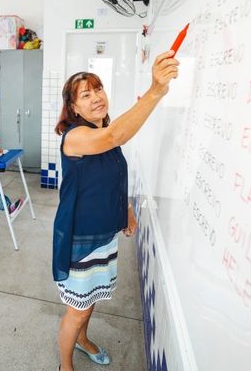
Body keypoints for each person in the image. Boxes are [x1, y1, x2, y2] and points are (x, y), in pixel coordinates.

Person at [53, 50, 179, 371]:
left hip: (106, 231)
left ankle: (83, 340)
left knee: (91, 297)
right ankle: (65, 366)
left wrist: (127, 209)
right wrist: (156, 91)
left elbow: (113, 177)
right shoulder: (77, 137)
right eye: (86, 93)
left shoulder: (102, 137)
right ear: (73, 108)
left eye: (98, 89)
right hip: (81, 237)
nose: (96, 97)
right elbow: (115, 134)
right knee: (77, 309)